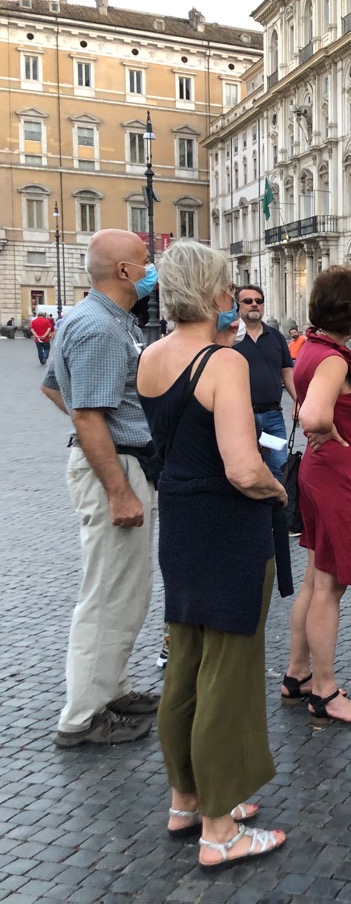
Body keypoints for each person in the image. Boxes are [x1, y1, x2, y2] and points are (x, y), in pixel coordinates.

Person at [137, 240, 288, 871]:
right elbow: (243, 467)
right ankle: (220, 830)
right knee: (228, 671)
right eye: (230, 286)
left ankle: (188, 798)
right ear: (218, 293)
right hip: (227, 524)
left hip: (180, 522)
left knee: (187, 660)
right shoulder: (221, 362)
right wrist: (279, 490)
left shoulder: (150, 356)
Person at [40, 229, 162, 748]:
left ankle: (111, 689)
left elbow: (52, 387)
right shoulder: (100, 329)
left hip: (117, 461)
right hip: (119, 469)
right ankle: (83, 716)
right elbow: (88, 412)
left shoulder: (96, 320)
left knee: (124, 591)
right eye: (144, 259)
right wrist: (117, 487)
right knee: (108, 594)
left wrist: (95, 432)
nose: (151, 266)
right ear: (125, 272)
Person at [282, 267, 351, 726]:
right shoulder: (334, 359)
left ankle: (298, 674)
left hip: (323, 477)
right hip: (339, 481)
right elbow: (314, 415)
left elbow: (310, 405)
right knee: (328, 587)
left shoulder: (313, 348)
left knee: (312, 580)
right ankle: (324, 690)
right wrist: (331, 433)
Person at [233, 284, 296, 478]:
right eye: (248, 301)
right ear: (237, 306)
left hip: (272, 415)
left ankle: (277, 508)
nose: (254, 305)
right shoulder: (229, 336)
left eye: (258, 301)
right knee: (245, 470)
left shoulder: (275, 336)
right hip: (240, 416)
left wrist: (298, 400)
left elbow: (287, 370)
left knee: (279, 469)